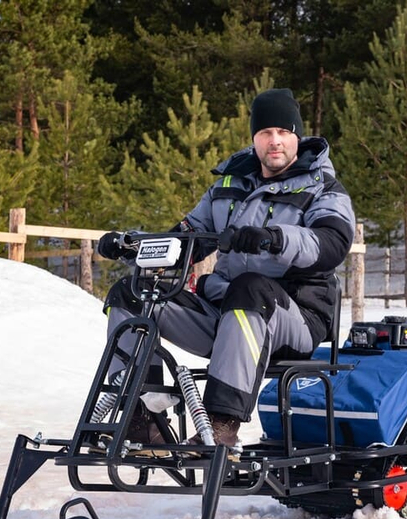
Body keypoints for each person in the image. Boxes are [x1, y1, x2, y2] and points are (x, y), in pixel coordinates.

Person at [96, 88, 356, 449]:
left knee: (249, 287)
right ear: (254, 139)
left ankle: (220, 426)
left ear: (297, 136)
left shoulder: (323, 187)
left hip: (294, 317)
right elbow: (184, 241)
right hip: (225, 314)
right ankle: (141, 418)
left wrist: (273, 238)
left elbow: (331, 243)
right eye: (266, 133)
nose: (275, 141)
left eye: (283, 132)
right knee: (132, 295)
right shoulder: (228, 186)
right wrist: (131, 246)